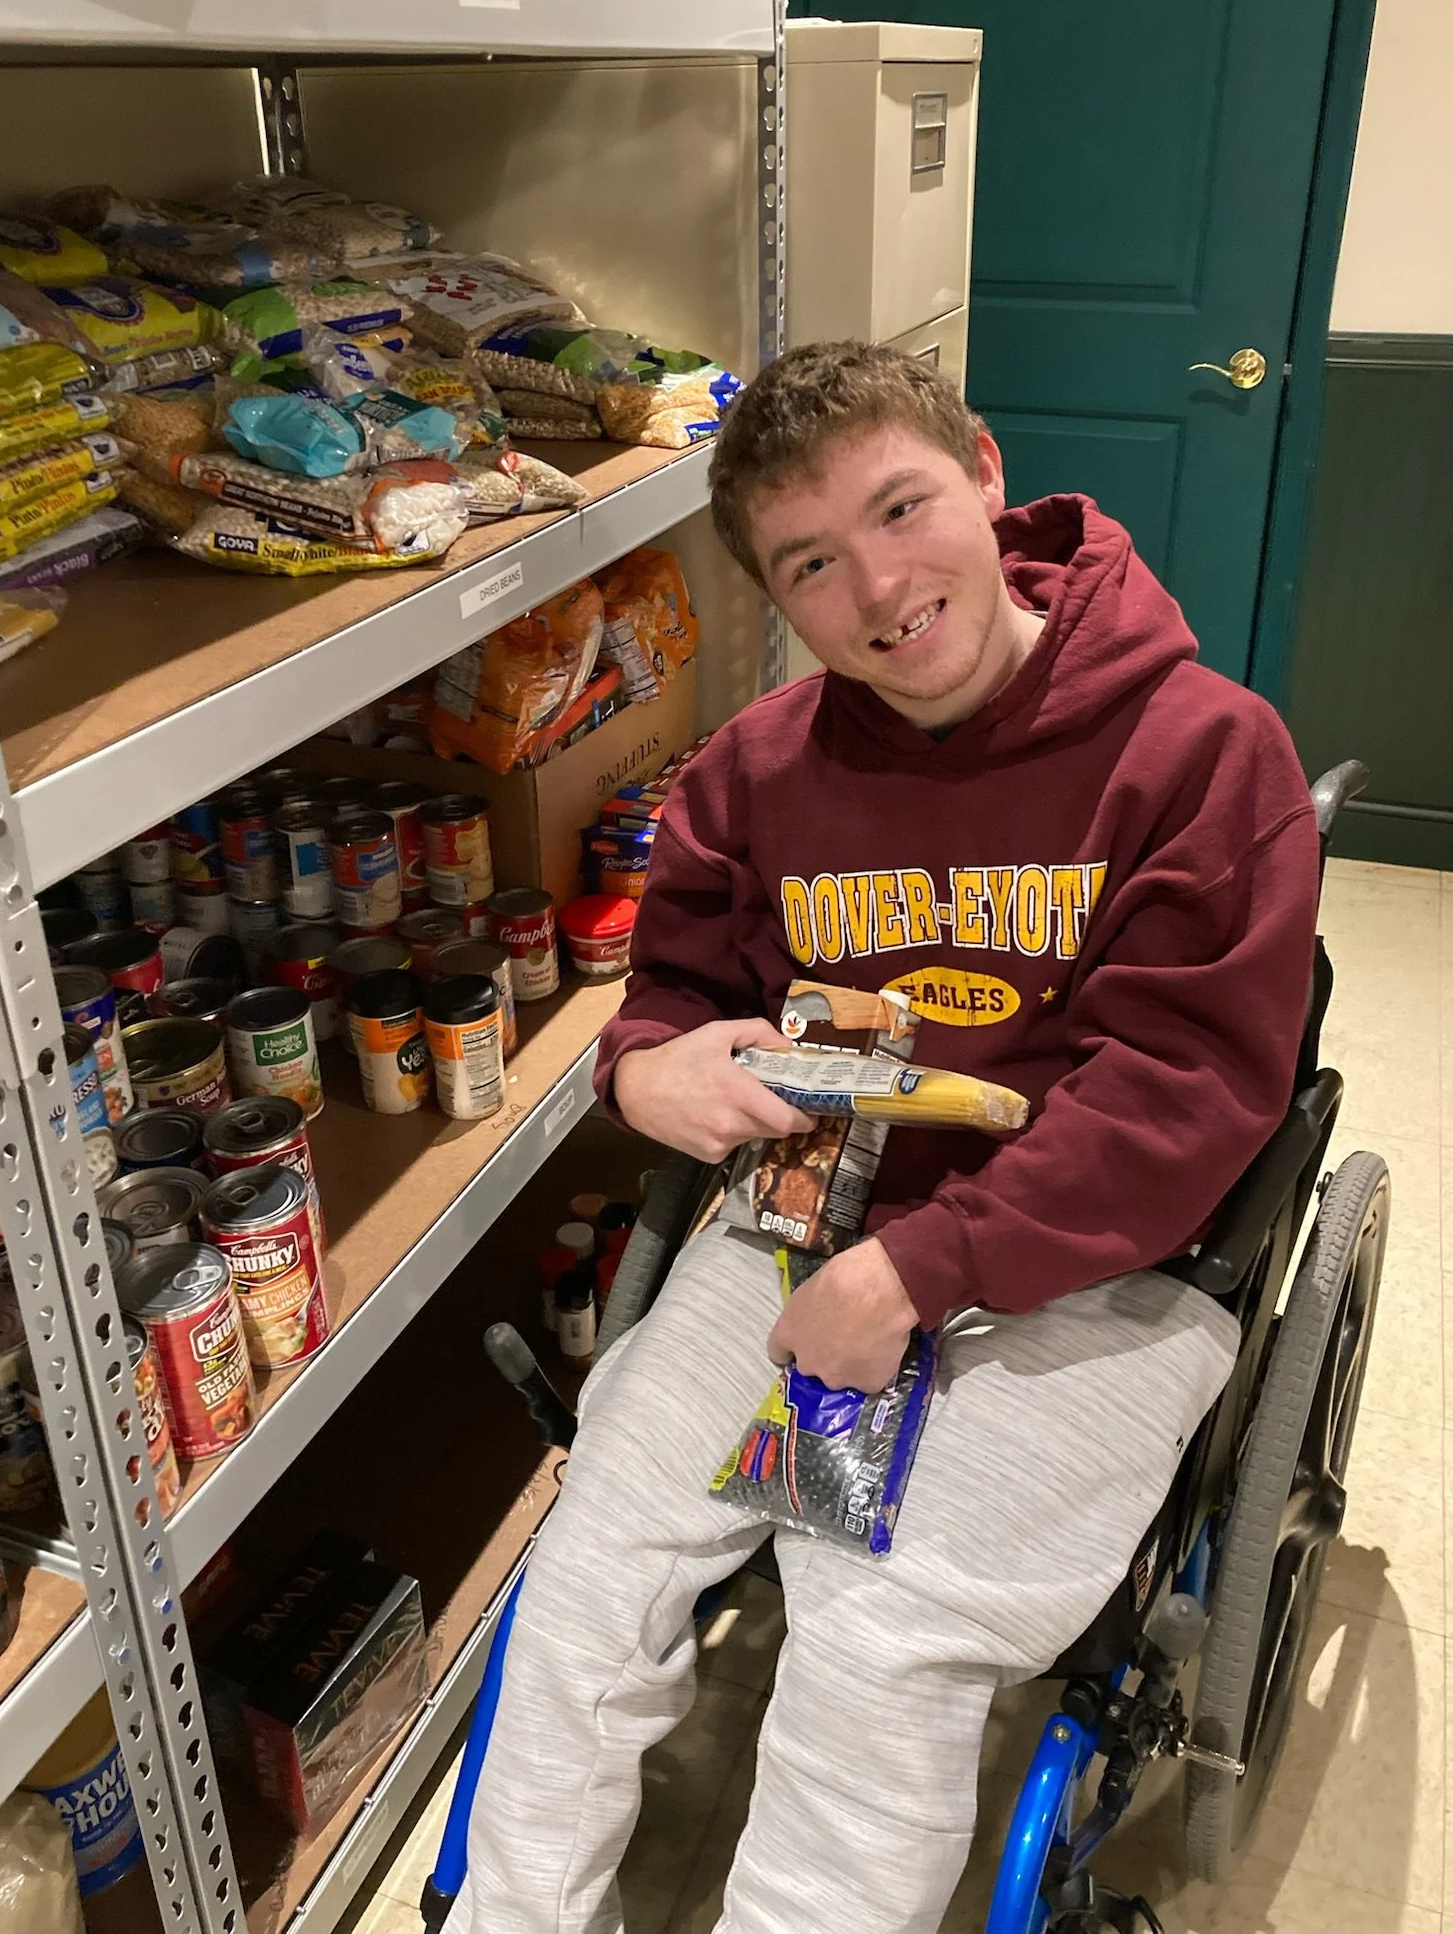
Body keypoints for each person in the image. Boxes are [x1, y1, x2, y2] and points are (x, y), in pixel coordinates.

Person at [446, 341, 1320, 1933]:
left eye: (902, 507)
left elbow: (1185, 1091)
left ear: (986, 474)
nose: (880, 589)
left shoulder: (1202, 752)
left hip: (1094, 1272)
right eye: (814, 563)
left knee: (869, 1637)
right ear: (782, 599)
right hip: (805, 1220)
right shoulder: (758, 773)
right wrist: (641, 1073)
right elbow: (677, 991)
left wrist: (928, 1265)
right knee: (585, 1575)